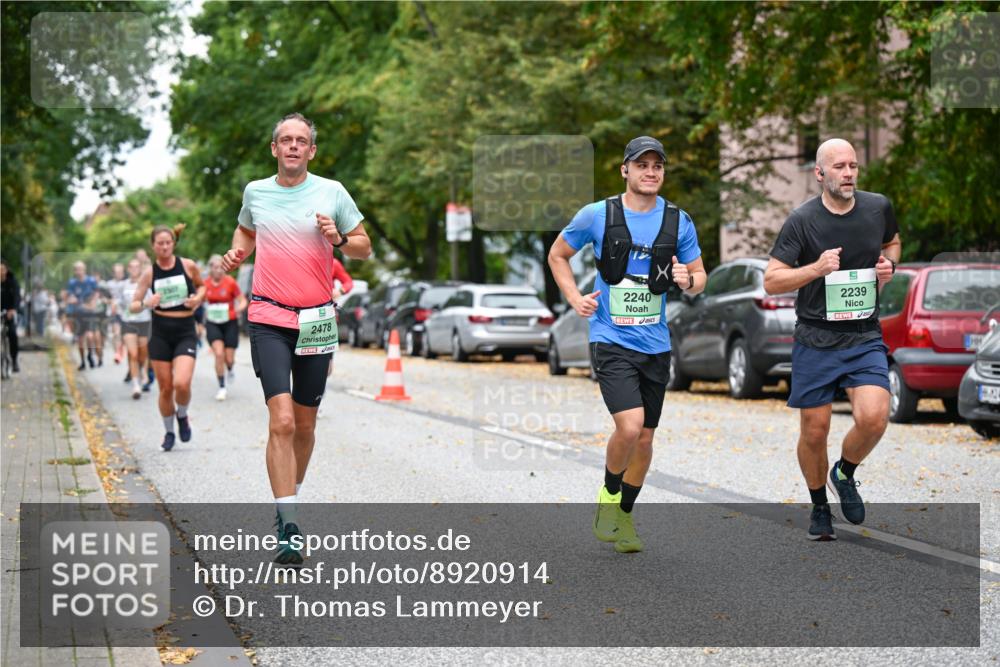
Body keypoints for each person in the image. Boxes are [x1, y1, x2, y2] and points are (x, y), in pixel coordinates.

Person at [221, 112, 372, 564]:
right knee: (283, 421)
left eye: (300, 140)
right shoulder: (256, 192)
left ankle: (291, 497)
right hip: (268, 315)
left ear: (311, 151)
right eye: (285, 140)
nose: (292, 146)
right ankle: (288, 524)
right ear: (274, 149)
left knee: (305, 425)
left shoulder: (333, 192)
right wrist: (238, 251)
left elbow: (364, 247)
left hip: (317, 320)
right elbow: (246, 229)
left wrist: (339, 238)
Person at [548, 136, 706, 553]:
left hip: (656, 343)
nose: (650, 172)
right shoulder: (597, 215)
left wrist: (689, 280)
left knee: (646, 439)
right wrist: (574, 298)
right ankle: (609, 493)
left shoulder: (678, 221)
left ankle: (624, 515)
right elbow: (557, 255)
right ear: (625, 170)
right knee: (630, 426)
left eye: (657, 166)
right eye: (642, 165)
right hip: (610, 338)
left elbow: (699, 277)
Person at [763, 138, 901, 541]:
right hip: (816, 337)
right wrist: (816, 268)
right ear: (820, 173)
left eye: (853, 166)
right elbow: (772, 280)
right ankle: (819, 506)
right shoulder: (802, 220)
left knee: (874, 417)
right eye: (839, 167)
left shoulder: (877, 207)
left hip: (863, 335)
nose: (849, 173)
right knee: (814, 430)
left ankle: (844, 472)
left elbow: (892, 242)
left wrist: (888, 264)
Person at [130, 224, 205, 451]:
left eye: (168, 242)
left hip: (185, 330)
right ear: (153, 246)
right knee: (165, 388)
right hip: (160, 332)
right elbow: (133, 305)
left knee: (182, 383)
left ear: (173, 244)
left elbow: (202, 287)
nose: (164, 247)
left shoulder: (188, 266)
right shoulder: (149, 273)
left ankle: (182, 415)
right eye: (160, 243)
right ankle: (169, 432)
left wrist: (197, 299)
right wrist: (146, 303)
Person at [203, 254, 247, 401]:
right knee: (219, 353)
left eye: (221, 267)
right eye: (216, 267)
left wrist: (238, 309)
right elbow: (198, 300)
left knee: (229, 358)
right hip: (213, 322)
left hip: (230, 322)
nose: (219, 270)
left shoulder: (230, 282)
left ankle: (230, 368)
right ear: (210, 269)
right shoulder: (205, 284)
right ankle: (222, 387)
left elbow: (242, 300)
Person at [119, 258, 152, 400]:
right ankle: (136, 385)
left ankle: (142, 371)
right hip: (128, 322)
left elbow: (152, 302)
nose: (134, 269)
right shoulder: (123, 285)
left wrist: (144, 305)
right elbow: (119, 303)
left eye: (137, 267)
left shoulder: (146, 284)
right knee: (133, 353)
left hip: (144, 321)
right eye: (131, 267)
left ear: (140, 269)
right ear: (128, 269)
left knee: (143, 354)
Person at [63, 261, 99, 370]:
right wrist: (71, 300)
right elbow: (69, 296)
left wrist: (93, 303)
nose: (79, 271)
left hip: (89, 313)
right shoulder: (72, 283)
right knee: (80, 339)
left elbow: (96, 293)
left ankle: (90, 355)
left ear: (84, 269)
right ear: (74, 271)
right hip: (77, 314)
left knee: (90, 336)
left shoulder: (91, 281)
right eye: (77, 269)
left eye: (80, 269)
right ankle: (82, 361)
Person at [1, 260, 21, 373]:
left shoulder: (12, 281)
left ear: (6, 270)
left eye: (2, 269)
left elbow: (17, 296)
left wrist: (13, 309)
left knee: (12, 333)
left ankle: (14, 361)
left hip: (9, 312)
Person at [106, 263, 129, 364]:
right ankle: (117, 353)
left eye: (121, 272)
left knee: (124, 335)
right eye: (117, 272)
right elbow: (104, 297)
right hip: (113, 312)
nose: (119, 274)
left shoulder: (127, 283)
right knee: (116, 333)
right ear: (113, 273)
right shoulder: (108, 284)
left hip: (125, 313)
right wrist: (110, 302)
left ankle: (120, 350)